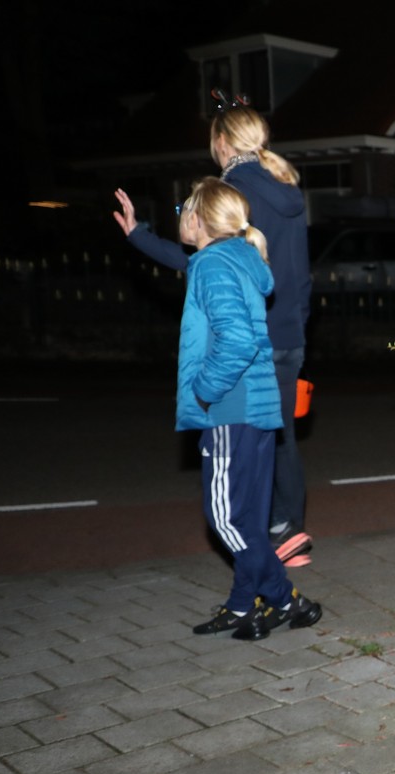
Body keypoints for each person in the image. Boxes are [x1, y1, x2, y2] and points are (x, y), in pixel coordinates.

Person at [113, 100, 314, 565]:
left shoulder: (229, 192)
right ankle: (290, 533)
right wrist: (298, 327)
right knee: (280, 435)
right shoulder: (288, 189)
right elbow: (301, 274)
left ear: (221, 142)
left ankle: (259, 541)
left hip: (248, 336)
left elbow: (204, 261)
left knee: (242, 443)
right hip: (290, 335)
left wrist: (139, 236)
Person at [174, 177, 322, 641]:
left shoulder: (211, 263)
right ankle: (243, 605)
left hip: (229, 407)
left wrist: (203, 391)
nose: (180, 216)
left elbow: (236, 340)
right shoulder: (242, 258)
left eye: (182, 209)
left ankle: (285, 599)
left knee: (226, 517)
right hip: (257, 406)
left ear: (199, 218)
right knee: (251, 517)